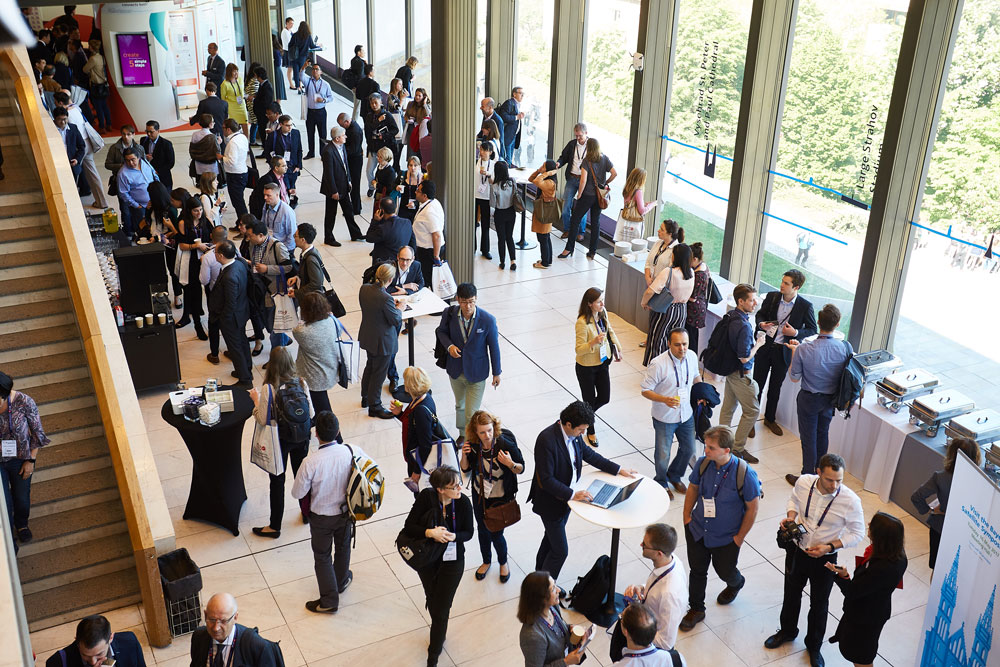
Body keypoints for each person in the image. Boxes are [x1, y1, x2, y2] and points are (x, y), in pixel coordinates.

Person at [764, 454, 865, 667]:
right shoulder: (804, 482)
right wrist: (791, 516)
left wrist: (829, 547)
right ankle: (787, 631)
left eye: (839, 480)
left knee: (819, 603)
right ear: (818, 472)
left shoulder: (850, 500)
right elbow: (793, 499)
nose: (835, 485)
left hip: (825, 558)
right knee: (791, 593)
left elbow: (857, 533)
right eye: (829, 480)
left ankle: (814, 646)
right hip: (797, 550)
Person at [529, 401, 638, 581]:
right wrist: (573, 495)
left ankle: (538, 574)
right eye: (581, 430)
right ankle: (544, 589)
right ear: (568, 424)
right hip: (551, 502)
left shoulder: (575, 435)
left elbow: (589, 455)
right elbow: (546, 480)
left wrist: (618, 469)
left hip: (567, 501)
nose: (583, 434)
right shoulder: (546, 440)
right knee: (560, 551)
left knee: (550, 540)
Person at [679, 426, 760, 632]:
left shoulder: (744, 474)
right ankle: (696, 609)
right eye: (706, 446)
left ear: (726, 450)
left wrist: (739, 538)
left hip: (726, 537)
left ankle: (736, 582)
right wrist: (687, 517)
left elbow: (752, 508)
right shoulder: (703, 463)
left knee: (725, 571)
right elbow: (693, 488)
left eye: (711, 448)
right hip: (698, 529)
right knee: (697, 571)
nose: (706, 450)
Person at [290, 410, 365, 613]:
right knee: (343, 547)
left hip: (321, 518)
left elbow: (297, 493)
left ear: (316, 434)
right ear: (338, 430)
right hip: (346, 512)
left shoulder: (310, 462)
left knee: (322, 556)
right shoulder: (352, 451)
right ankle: (341, 581)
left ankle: (330, 600)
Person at [402, 465, 474, 667]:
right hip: (427, 558)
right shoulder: (426, 498)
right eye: (454, 486)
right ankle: (438, 628)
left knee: (441, 609)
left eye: (459, 484)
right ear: (440, 489)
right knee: (433, 599)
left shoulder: (463, 503)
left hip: (453, 560)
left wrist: (453, 536)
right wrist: (429, 532)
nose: (459, 489)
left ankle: (433, 653)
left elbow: (469, 533)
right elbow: (409, 527)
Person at [827, 512, 908, 667]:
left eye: (873, 525)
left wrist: (844, 576)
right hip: (870, 611)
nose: (869, 525)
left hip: (866, 617)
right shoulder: (896, 555)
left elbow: (853, 591)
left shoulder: (882, 568)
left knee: (861, 657)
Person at [786, 304, 852, 483]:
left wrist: (794, 353)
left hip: (809, 398)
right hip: (830, 399)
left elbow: (794, 377)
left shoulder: (804, 348)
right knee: (823, 434)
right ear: (837, 324)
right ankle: (822, 474)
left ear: (818, 322)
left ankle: (807, 478)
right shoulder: (845, 347)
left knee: (808, 439)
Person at [249, 347, 310, 539]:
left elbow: (262, 419)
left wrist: (255, 402)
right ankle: (307, 513)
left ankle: (275, 527)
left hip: (280, 441)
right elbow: (312, 413)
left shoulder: (269, 389)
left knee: (277, 482)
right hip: (301, 438)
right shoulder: (302, 382)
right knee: (302, 476)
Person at [459, 409, 524, 583]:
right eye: (482, 432)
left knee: (496, 533)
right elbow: (465, 469)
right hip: (480, 495)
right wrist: (464, 455)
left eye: (489, 430)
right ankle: (486, 561)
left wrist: (510, 463)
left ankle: (503, 562)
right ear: (475, 432)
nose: (487, 436)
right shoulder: (474, 445)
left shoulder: (505, 444)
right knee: (482, 529)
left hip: (500, 496)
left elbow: (521, 468)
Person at [753, 269, 817, 437]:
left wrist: (795, 333)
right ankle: (750, 420)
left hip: (783, 352)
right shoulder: (772, 297)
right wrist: (761, 324)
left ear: (796, 287)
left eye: (786, 283)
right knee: (757, 385)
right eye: (782, 281)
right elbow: (760, 315)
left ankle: (769, 419)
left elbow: (812, 329)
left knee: (775, 388)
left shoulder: (805, 306)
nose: (781, 285)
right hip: (765, 347)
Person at [642, 329, 700, 498]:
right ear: (669, 344)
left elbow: (696, 376)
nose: (682, 348)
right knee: (663, 454)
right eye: (677, 345)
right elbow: (645, 390)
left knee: (689, 449)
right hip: (665, 417)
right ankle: (661, 482)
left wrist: (701, 391)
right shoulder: (658, 364)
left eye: (685, 344)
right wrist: (663, 399)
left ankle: (674, 476)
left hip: (686, 414)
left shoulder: (692, 356)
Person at [436, 283, 502, 433]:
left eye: (471, 301)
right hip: (456, 370)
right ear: (458, 299)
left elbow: (494, 348)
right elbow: (441, 332)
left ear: (476, 298)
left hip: (477, 373)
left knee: (471, 414)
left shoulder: (487, 320)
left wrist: (496, 372)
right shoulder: (449, 314)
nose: (468, 306)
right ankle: (462, 434)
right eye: (464, 302)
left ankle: (469, 441)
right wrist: (449, 346)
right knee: (460, 405)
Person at [618, 524, 686, 662]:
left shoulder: (670, 595)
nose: (641, 545)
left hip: (648, 644)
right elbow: (657, 585)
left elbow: (666, 642)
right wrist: (642, 588)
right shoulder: (670, 560)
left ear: (659, 553)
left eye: (645, 545)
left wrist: (636, 630)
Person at [911, 437, 981, 569]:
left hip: (940, 527)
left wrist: (931, 510)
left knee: (937, 567)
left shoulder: (940, 477)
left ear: (951, 454)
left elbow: (916, 497)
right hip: (965, 533)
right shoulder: (981, 482)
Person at [715, 283, 763, 464]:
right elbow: (744, 357)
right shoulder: (743, 326)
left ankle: (721, 442)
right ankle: (738, 448)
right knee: (752, 410)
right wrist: (758, 344)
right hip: (741, 373)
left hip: (730, 370)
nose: (755, 303)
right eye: (752, 300)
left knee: (728, 407)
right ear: (741, 301)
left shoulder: (732, 316)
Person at [0, 371, 49, 549]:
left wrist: (31, 461)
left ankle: (21, 524)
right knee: (3, 504)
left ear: (4, 395)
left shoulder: (24, 402)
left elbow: (38, 434)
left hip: (20, 459)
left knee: (21, 499)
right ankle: (9, 543)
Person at [574, 287, 622, 448]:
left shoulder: (603, 313)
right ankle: (590, 430)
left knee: (604, 397)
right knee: (589, 401)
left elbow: (610, 331)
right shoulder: (582, 323)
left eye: (602, 300)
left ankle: (582, 417)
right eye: (599, 302)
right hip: (586, 367)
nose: (603, 304)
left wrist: (617, 347)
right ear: (589, 304)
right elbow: (579, 350)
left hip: (603, 362)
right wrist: (593, 342)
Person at [518, 571, 590, 667]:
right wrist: (566, 662)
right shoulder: (533, 637)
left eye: (555, 585)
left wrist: (570, 628)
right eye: (553, 589)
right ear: (540, 598)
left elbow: (556, 629)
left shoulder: (551, 607)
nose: (559, 590)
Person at [190, 593, 283, 666]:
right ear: (205, 615)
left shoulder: (257, 646)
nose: (216, 628)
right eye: (212, 619)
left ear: (235, 617)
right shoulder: (199, 637)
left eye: (223, 621)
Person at [359, 263, 402, 419]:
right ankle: (375, 406)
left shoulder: (364, 289)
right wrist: (399, 309)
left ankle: (365, 397)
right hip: (382, 342)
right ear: (390, 279)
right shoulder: (385, 298)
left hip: (368, 336)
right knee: (378, 374)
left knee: (370, 366)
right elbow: (395, 320)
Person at [52, 91, 108, 210]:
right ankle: (102, 201)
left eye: (55, 102)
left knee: (73, 175)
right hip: (87, 142)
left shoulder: (66, 116)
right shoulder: (76, 109)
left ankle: (73, 204)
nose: (55, 104)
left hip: (78, 147)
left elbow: (70, 135)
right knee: (93, 173)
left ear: (60, 103)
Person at [208, 240, 253, 388]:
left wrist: (224, 319)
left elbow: (230, 303)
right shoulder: (239, 263)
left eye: (215, 252)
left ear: (221, 256)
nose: (214, 254)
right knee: (242, 342)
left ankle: (245, 380)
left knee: (235, 348)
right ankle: (246, 370)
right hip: (241, 312)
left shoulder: (229, 277)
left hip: (232, 318)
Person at [562, 138, 617, 259]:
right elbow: (614, 173)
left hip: (587, 195)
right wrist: (605, 183)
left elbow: (583, 180)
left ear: (588, 148)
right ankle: (592, 251)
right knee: (595, 223)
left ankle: (569, 249)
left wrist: (579, 194)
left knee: (575, 220)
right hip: (599, 196)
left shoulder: (587, 161)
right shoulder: (604, 158)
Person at [642, 244, 695, 366]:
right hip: (682, 311)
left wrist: (644, 302)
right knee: (676, 342)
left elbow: (651, 291)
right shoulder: (691, 273)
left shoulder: (669, 272)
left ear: (675, 256)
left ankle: (655, 368)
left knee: (657, 340)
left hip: (665, 309)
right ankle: (672, 367)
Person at [244, 218, 293, 349]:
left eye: (250, 235)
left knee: (274, 325)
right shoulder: (253, 245)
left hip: (274, 291)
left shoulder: (277, 246)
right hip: (259, 288)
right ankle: (283, 340)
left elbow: (288, 267)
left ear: (261, 235)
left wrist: (267, 269)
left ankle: (277, 352)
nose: (248, 238)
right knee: (266, 320)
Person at [291, 291, 341, 417]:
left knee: (322, 408)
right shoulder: (332, 321)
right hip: (330, 367)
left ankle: (330, 428)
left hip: (312, 375)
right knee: (320, 401)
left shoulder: (301, 332)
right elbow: (339, 332)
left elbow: (296, 328)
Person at [390, 366, 440, 491]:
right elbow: (414, 426)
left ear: (409, 386)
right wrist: (400, 414)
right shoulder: (424, 398)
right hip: (416, 458)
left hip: (419, 461)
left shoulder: (420, 411)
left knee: (421, 495)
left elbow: (425, 445)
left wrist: (417, 471)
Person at [174, 197, 213, 340]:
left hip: (206, 258)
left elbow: (213, 237)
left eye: (201, 210)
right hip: (191, 260)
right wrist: (196, 246)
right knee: (194, 292)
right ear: (189, 211)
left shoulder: (205, 221)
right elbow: (181, 245)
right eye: (196, 210)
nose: (199, 213)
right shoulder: (183, 223)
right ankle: (198, 325)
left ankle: (213, 324)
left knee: (210, 291)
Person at [45, 614, 146, 667]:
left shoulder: (129, 642)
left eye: (99, 654)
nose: (93, 662)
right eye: (85, 655)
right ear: (77, 641)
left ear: (111, 638)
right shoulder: (57, 662)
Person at [320, 124, 363, 245]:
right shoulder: (328, 151)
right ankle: (328, 238)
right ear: (337, 138)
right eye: (344, 135)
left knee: (349, 211)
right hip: (333, 188)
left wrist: (349, 180)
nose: (346, 137)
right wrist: (334, 191)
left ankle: (355, 234)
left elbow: (345, 165)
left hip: (343, 185)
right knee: (331, 214)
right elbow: (329, 174)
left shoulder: (342, 146)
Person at [555, 123, 590, 241]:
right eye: (576, 136)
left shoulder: (591, 146)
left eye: (580, 136)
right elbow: (563, 157)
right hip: (572, 178)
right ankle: (567, 229)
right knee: (566, 206)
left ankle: (581, 232)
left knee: (582, 207)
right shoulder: (572, 144)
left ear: (586, 133)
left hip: (584, 181)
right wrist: (559, 163)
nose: (578, 138)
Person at [117, 147, 160, 240]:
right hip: (141, 207)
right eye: (127, 160)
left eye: (133, 159)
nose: (131, 163)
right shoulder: (123, 173)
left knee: (155, 226)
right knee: (142, 230)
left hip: (154, 201)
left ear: (138, 157)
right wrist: (137, 205)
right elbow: (123, 194)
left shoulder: (144, 162)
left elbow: (153, 173)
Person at [363, 92, 398, 194]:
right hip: (373, 147)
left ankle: (383, 189)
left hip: (385, 148)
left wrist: (384, 136)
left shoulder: (387, 115)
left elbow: (395, 130)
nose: (374, 105)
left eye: (376, 103)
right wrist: (378, 121)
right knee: (369, 171)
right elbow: (368, 130)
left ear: (381, 102)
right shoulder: (369, 116)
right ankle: (372, 187)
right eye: (372, 103)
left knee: (385, 171)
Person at [412, 180, 445, 288]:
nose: (415, 192)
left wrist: (436, 256)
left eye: (418, 191)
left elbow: (437, 235)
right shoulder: (432, 202)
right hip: (426, 250)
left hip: (428, 252)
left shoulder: (429, 212)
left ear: (425, 196)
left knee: (429, 280)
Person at [529, 160, 560, 268]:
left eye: (543, 166)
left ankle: (545, 262)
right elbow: (531, 179)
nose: (541, 166)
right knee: (545, 236)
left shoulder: (549, 182)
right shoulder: (547, 180)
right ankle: (547, 259)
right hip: (545, 210)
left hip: (544, 211)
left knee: (543, 237)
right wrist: (539, 171)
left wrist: (547, 173)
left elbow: (536, 181)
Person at [490, 161, 519, 270]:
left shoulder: (494, 186)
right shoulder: (513, 182)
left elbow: (492, 204)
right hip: (511, 212)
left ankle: (502, 262)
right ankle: (513, 261)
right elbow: (515, 195)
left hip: (500, 213)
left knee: (501, 238)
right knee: (509, 237)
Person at [368, 197, 413, 265]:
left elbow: (369, 238)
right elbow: (412, 242)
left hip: (384, 264)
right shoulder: (407, 222)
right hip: (401, 262)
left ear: (382, 211)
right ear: (395, 208)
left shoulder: (383, 228)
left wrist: (375, 221)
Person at [263, 115, 303, 192]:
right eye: (287, 125)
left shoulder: (296, 133)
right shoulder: (273, 135)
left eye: (291, 125)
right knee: (285, 188)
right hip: (280, 168)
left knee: (291, 188)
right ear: (281, 124)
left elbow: (299, 150)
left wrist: (298, 166)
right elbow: (267, 152)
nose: (290, 127)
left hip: (293, 168)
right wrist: (273, 166)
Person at [286, 223, 326, 300]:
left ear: (303, 240)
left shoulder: (310, 259)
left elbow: (316, 283)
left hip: (311, 299)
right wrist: (297, 277)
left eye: (295, 236)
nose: (294, 238)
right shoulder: (306, 252)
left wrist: (297, 293)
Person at [302, 64, 334, 159]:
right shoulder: (308, 81)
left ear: (321, 72)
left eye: (317, 69)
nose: (315, 71)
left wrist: (324, 100)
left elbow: (331, 97)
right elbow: (301, 75)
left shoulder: (325, 84)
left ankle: (323, 153)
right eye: (313, 69)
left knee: (322, 134)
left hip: (321, 111)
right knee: (310, 132)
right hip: (310, 112)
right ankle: (311, 152)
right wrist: (304, 67)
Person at [337, 112, 365, 216]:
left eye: (342, 125)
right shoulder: (350, 128)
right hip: (353, 159)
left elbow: (353, 149)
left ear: (347, 122)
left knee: (354, 185)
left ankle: (356, 209)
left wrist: (341, 149)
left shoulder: (355, 131)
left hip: (355, 160)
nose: (342, 127)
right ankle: (356, 206)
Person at [685, 243, 711, 352]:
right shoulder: (702, 266)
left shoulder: (700, 275)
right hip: (696, 308)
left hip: (694, 311)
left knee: (691, 339)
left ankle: (691, 359)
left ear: (695, 259)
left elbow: (693, 297)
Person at [644, 220, 683, 290]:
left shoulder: (676, 250)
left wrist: (655, 285)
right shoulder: (658, 243)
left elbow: (670, 274)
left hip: (661, 287)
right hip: (650, 283)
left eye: (662, 230)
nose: (658, 231)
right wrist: (647, 277)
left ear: (670, 234)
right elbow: (648, 262)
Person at [259, 182, 296, 253]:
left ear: (277, 195)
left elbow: (292, 235)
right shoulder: (266, 205)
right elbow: (263, 224)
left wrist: (284, 251)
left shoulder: (287, 212)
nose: (265, 198)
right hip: (269, 246)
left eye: (268, 195)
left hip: (282, 249)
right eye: (264, 195)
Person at [474, 142, 496, 259]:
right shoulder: (475, 162)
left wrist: (488, 174)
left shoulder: (493, 165)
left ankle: (485, 249)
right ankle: (472, 247)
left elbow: (493, 182)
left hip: (486, 197)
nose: (481, 152)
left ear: (490, 152)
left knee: (485, 224)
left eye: (485, 150)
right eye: (481, 150)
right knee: (472, 224)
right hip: (474, 195)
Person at [52, 106, 85, 182]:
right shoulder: (50, 130)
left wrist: (77, 159)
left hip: (71, 165)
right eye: (60, 119)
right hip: (57, 165)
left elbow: (82, 146)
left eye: (65, 119)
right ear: (54, 119)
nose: (63, 122)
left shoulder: (73, 128)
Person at [140, 120, 174, 189]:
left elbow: (170, 163)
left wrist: (157, 172)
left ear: (158, 131)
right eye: (147, 131)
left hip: (163, 178)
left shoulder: (166, 144)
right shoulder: (143, 140)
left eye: (151, 132)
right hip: (147, 177)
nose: (148, 134)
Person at [496, 87, 525, 164]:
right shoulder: (509, 103)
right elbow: (503, 117)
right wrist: (516, 117)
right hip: (507, 136)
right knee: (507, 160)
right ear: (514, 94)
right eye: (520, 93)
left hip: (513, 136)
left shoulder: (517, 104)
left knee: (510, 160)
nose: (522, 95)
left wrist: (519, 116)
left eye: (523, 94)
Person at [220, 63, 250, 137]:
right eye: (234, 71)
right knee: (233, 126)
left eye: (237, 71)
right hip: (232, 107)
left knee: (245, 123)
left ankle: (246, 141)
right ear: (229, 72)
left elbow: (242, 92)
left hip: (241, 105)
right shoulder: (224, 84)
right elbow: (223, 99)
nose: (236, 73)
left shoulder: (240, 79)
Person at [286, 22, 317, 92]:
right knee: (301, 71)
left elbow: (290, 45)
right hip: (302, 57)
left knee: (296, 72)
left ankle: (298, 87)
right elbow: (312, 46)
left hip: (294, 56)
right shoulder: (308, 36)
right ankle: (300, 85)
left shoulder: (295, 35)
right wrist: (318, 45)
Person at [404, 88, 431, 160]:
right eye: (416, 95)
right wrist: (408, 119)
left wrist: (424, 104)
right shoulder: (410, 104)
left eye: (419, 96)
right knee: (411, 151)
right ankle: (411, 163)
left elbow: (429, 116)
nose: (417, 97)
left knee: (420, 150)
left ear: (424, 97)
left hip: (421, 130)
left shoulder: (426, 105)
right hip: (411, 129)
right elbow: (406, 115)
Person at [370, 146, 397, 218]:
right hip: (378, 196)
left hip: (385, 198)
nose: (378, 159)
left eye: (380, 157)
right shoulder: (380, 166)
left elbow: (389, 188)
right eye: (378, 156)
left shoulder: (390, 171)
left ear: (386, 158)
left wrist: (376, 184)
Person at [250, 66, 274, 144]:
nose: (255, 77)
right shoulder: (262, 85)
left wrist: (253, 99)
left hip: (263, 114)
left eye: (256, 75)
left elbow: (265, 102)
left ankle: (265, 147)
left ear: (259, 76)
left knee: (263, 132)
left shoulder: (267, 86)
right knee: (261, 131)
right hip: (260, 114)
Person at [397, 155, 424, 222]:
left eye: (415, 165)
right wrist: (396, 187)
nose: (413, 168)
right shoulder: (403, 175)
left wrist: (415, 203)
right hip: (404, 208)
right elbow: (392, 185)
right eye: (410, 165)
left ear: (419, 166)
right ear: (408, 166)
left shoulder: (423, 178)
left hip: (417, 209)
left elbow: (425, 196)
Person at [349, 45, 368, 121]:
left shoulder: (353, 60)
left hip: (354, 86)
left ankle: (354, 121)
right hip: (359, 87)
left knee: (356, 105)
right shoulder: (361, 63)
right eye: (363, 51)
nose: (364, 52)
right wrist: (365, 65)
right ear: (358, 52)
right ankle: (354, 121)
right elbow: (361, 76)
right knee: (358, 106)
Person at [279, 17, 295, 90]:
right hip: (288, 52)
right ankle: (291, 84)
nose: (292, 25)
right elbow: (290, 43)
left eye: (293, 23)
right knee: (290, 68)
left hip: (290, 51)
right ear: (287, 23)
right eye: (291, 23)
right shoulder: (285, 32)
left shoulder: (289, 30)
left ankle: (293, 83)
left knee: (291, 68)